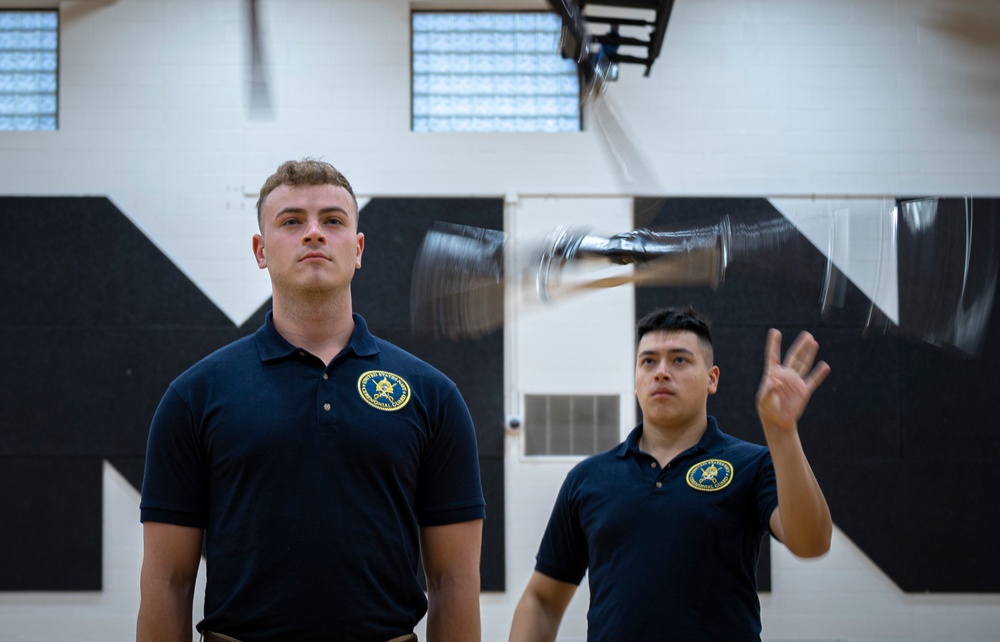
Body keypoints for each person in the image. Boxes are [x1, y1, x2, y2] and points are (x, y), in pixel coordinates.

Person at [137, 159, 485, 642]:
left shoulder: (433, 395)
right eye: (292, 221)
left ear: (358, 249)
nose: (314, 233)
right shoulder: (194, 396)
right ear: (261, 250)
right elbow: (166, 580)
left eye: (334, 221)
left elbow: (455, 580)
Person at [509, 306, 832, 641]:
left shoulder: (751, 464)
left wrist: (781, 432)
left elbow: (812, 543)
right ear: (635, 381)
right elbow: (542, 599)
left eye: (679, 360)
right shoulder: (587, 479)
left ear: (712, 379)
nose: (661, 372)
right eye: (648, 361)